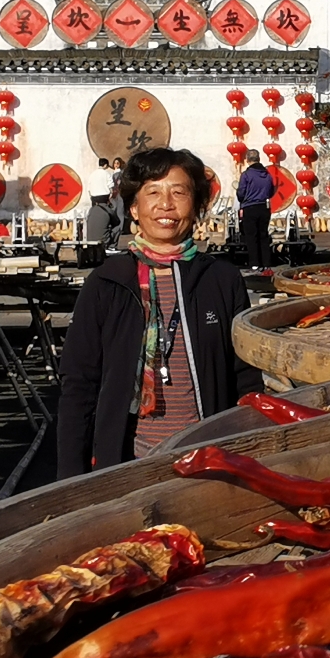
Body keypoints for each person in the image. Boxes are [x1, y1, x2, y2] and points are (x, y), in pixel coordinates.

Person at [54, 145, 255, 472]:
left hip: (208, 460)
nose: (166, 204)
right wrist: (69, 480)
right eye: (153, 193)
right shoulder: (107, 283)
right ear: (134, 208)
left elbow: (246, 377)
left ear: (196, 206)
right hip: (127, 464)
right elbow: (79, 386)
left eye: (179, 192)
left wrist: (250, 455)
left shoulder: (221, 279)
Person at [235, 149, 274, 270]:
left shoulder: (246, 175)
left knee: (251, 237)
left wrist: (242, 198)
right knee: (263, 235)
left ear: (247, 160)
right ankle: (266, 263)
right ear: (259, 159)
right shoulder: (267, 175)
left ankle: (255, 263)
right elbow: (271, 191)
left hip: (250, 207)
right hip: (264, 207)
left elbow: (241, 192)